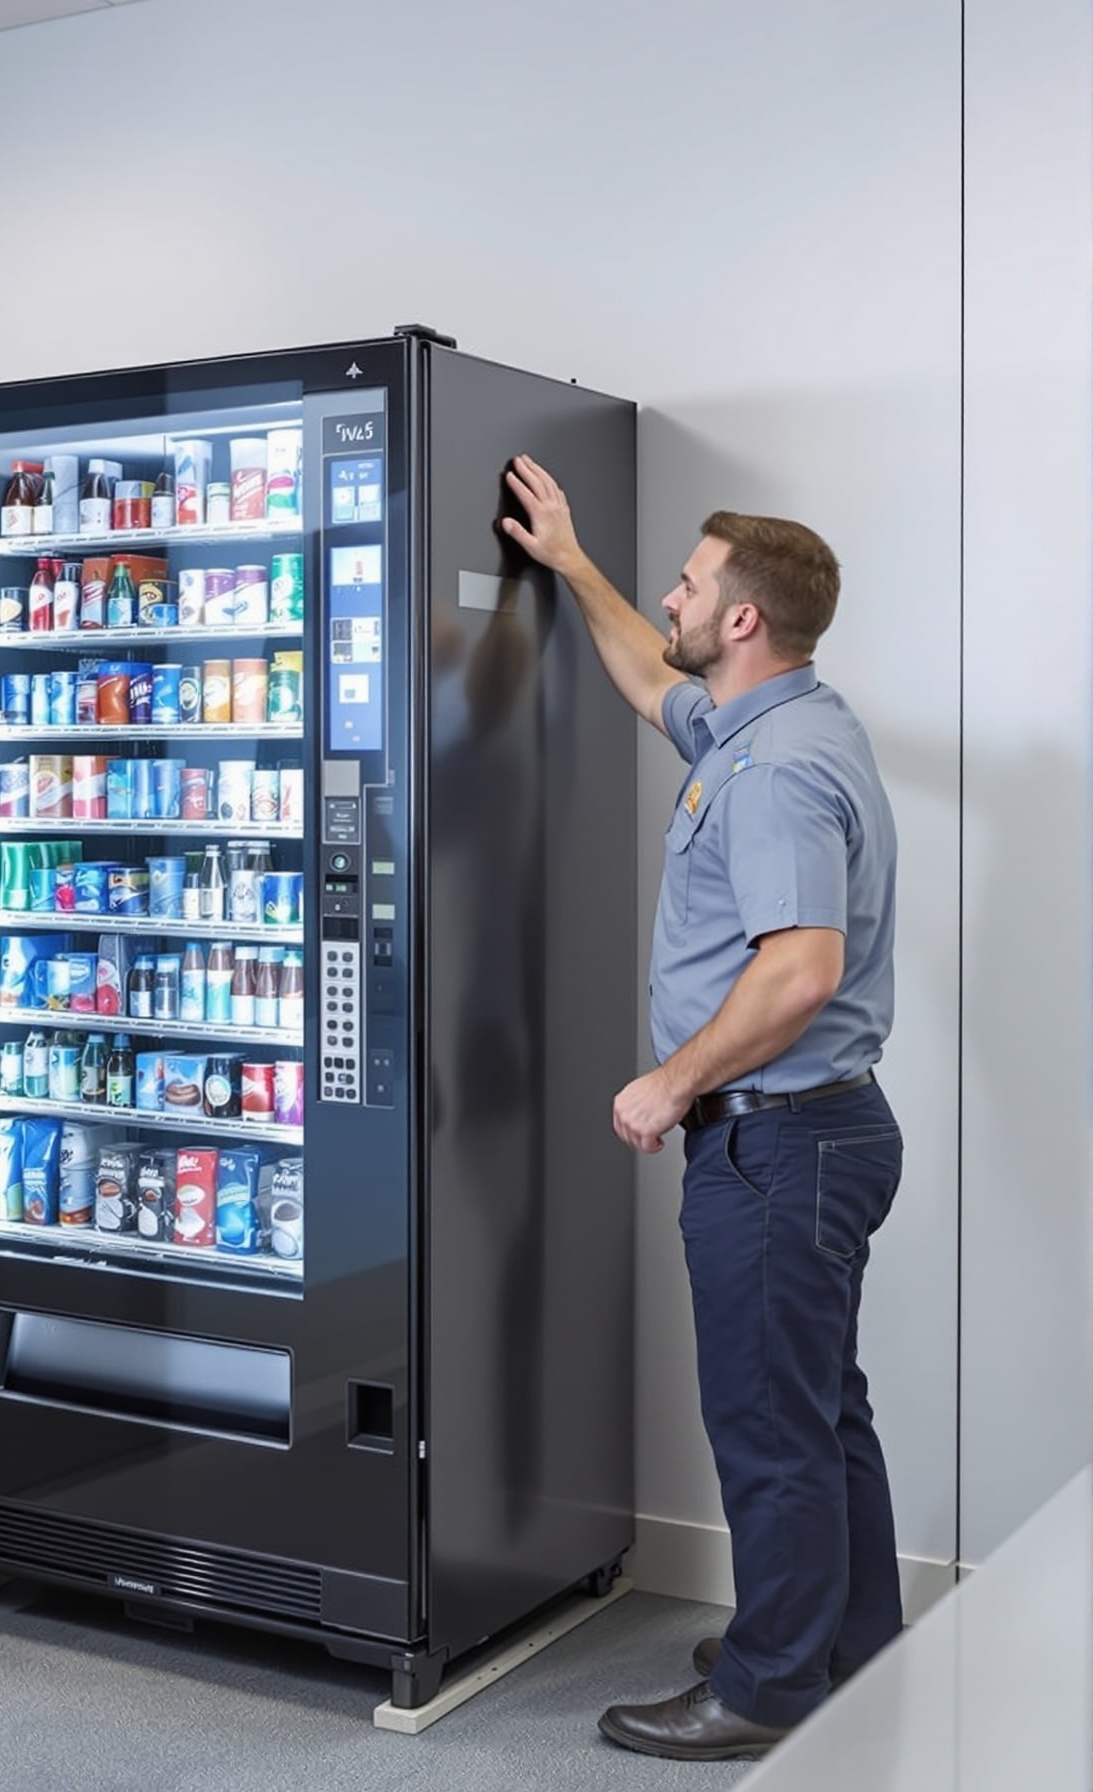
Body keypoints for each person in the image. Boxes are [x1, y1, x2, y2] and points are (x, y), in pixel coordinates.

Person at [501, 455, 903, 1763]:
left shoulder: (777, 770)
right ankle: (845, 1643)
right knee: (818, 1405)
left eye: (687, 582)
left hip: (776, 1145)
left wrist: (669, 1083)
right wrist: (569, 564)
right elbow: (647, 678)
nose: (669, 596)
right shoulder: (768, 721)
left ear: (741, 620)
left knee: (772, 1421)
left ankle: (770, 1686)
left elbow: (802, 966)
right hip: (818, 1136)